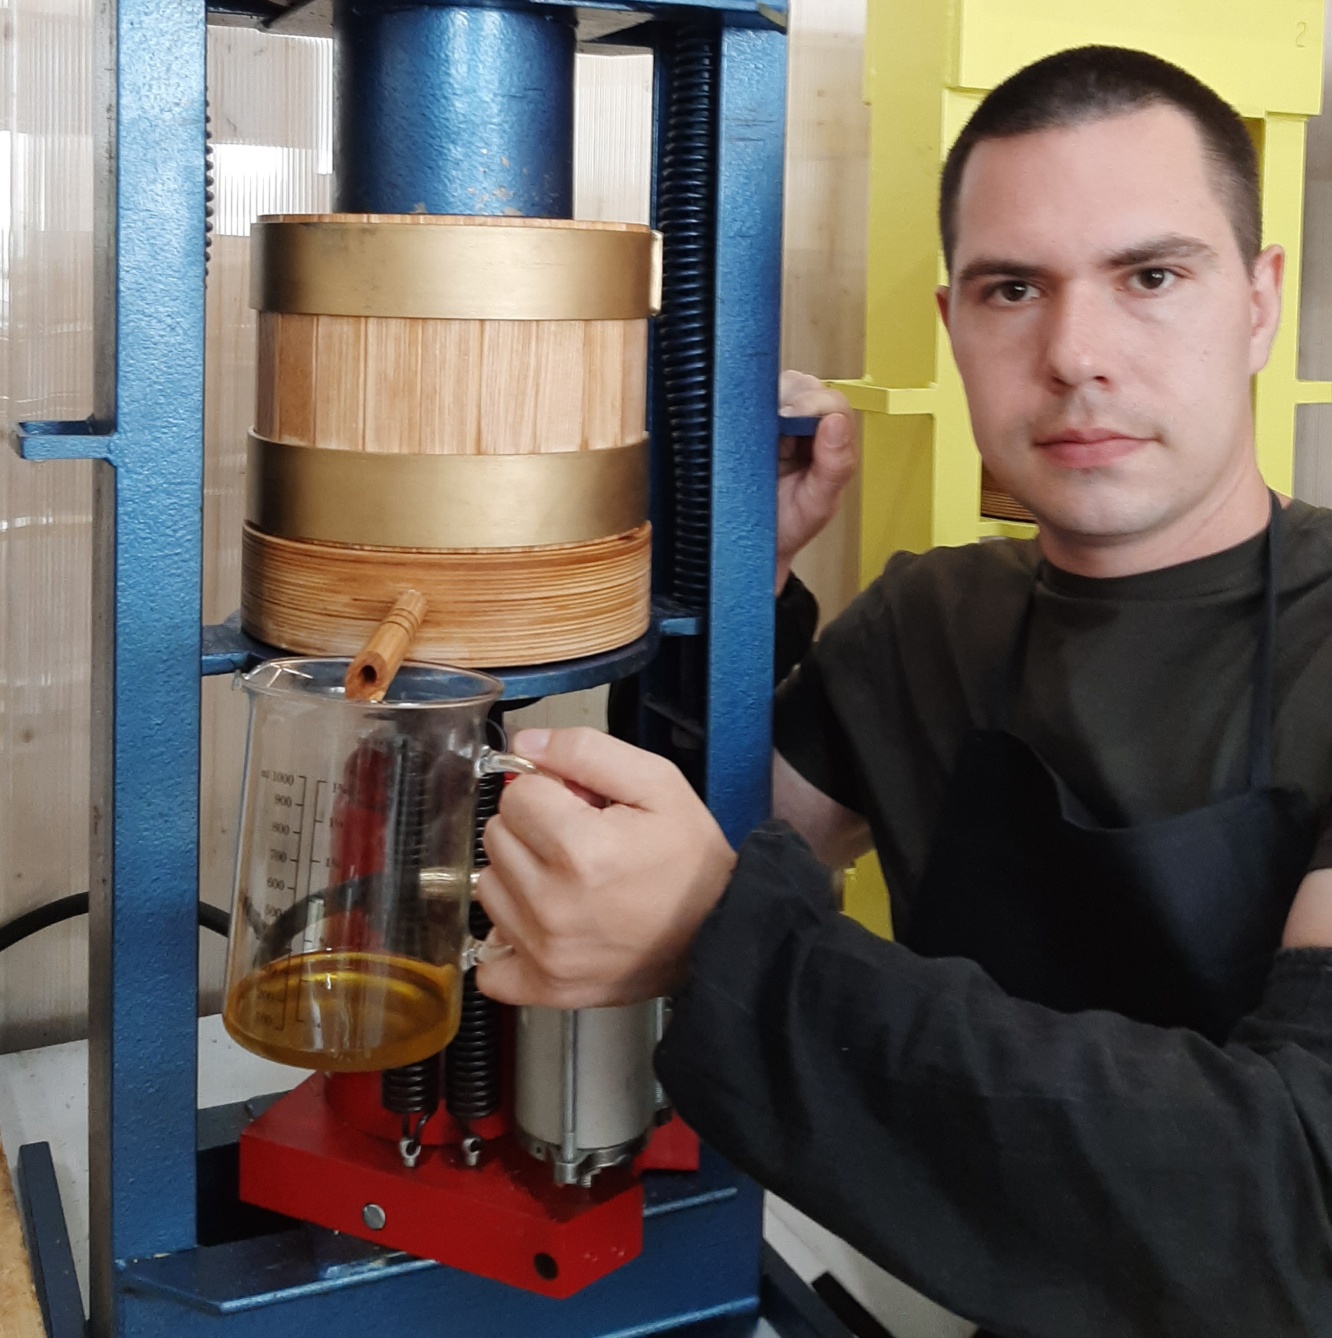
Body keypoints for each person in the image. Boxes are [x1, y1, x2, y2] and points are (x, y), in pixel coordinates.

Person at [476, 46, 1332, 1336]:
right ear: (954, 325)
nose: (1075, 354)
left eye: (1152, 276)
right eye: (1012, 289)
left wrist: (727, 945)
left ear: (1259, 302)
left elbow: (1293, 1192)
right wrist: (732, 587)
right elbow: (689, 849)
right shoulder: (927, 623)